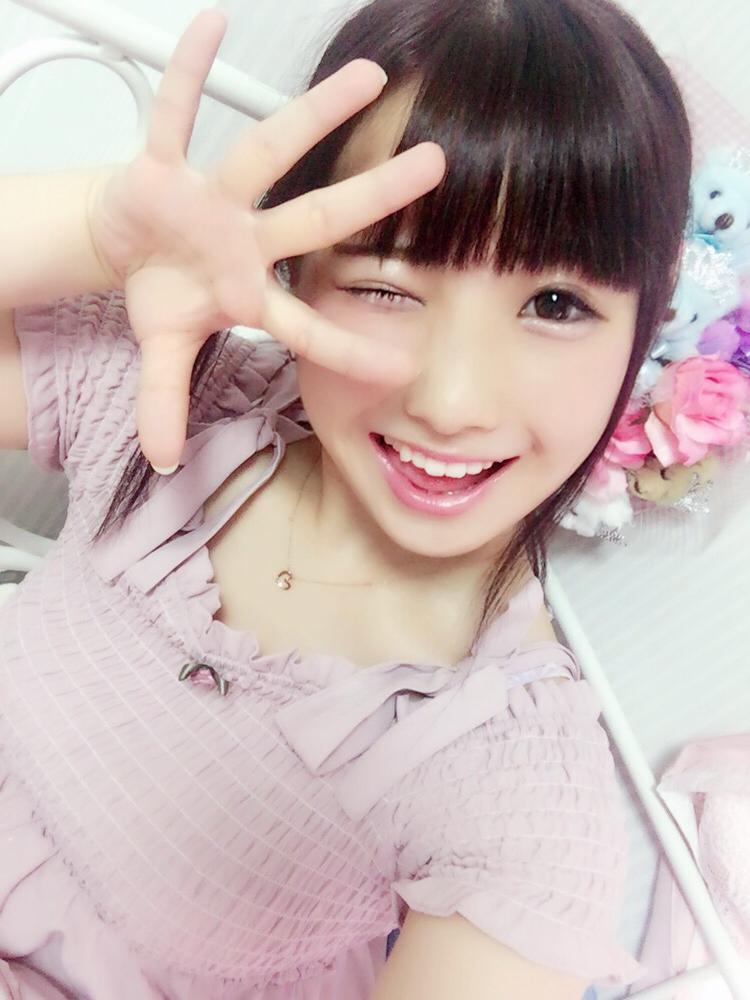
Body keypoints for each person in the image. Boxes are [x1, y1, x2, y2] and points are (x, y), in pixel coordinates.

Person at [0, 0, 691, 996]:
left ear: (645, 325)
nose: (452, 401)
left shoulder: (509, 791)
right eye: (385, 284)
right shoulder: (188, 394)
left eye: (555, 304)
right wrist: (91, 228)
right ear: (298, 267)